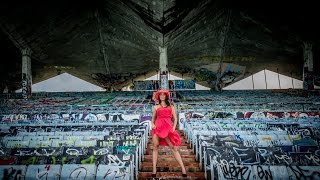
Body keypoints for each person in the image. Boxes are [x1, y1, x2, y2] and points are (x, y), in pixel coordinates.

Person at [151, 89, 187, 177]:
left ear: (166, 96)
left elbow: (175, 119)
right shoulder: (155, 107)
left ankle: (183, 168)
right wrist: (152, 125)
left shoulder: (171, 106)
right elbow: (152, 120)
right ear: (158, 96)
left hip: (167, 128)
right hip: (158, 128)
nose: (162, 96)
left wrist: (174, 128)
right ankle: (154, 169)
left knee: (173, 148)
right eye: (160, 95)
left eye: (164, 95)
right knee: (155, 147)